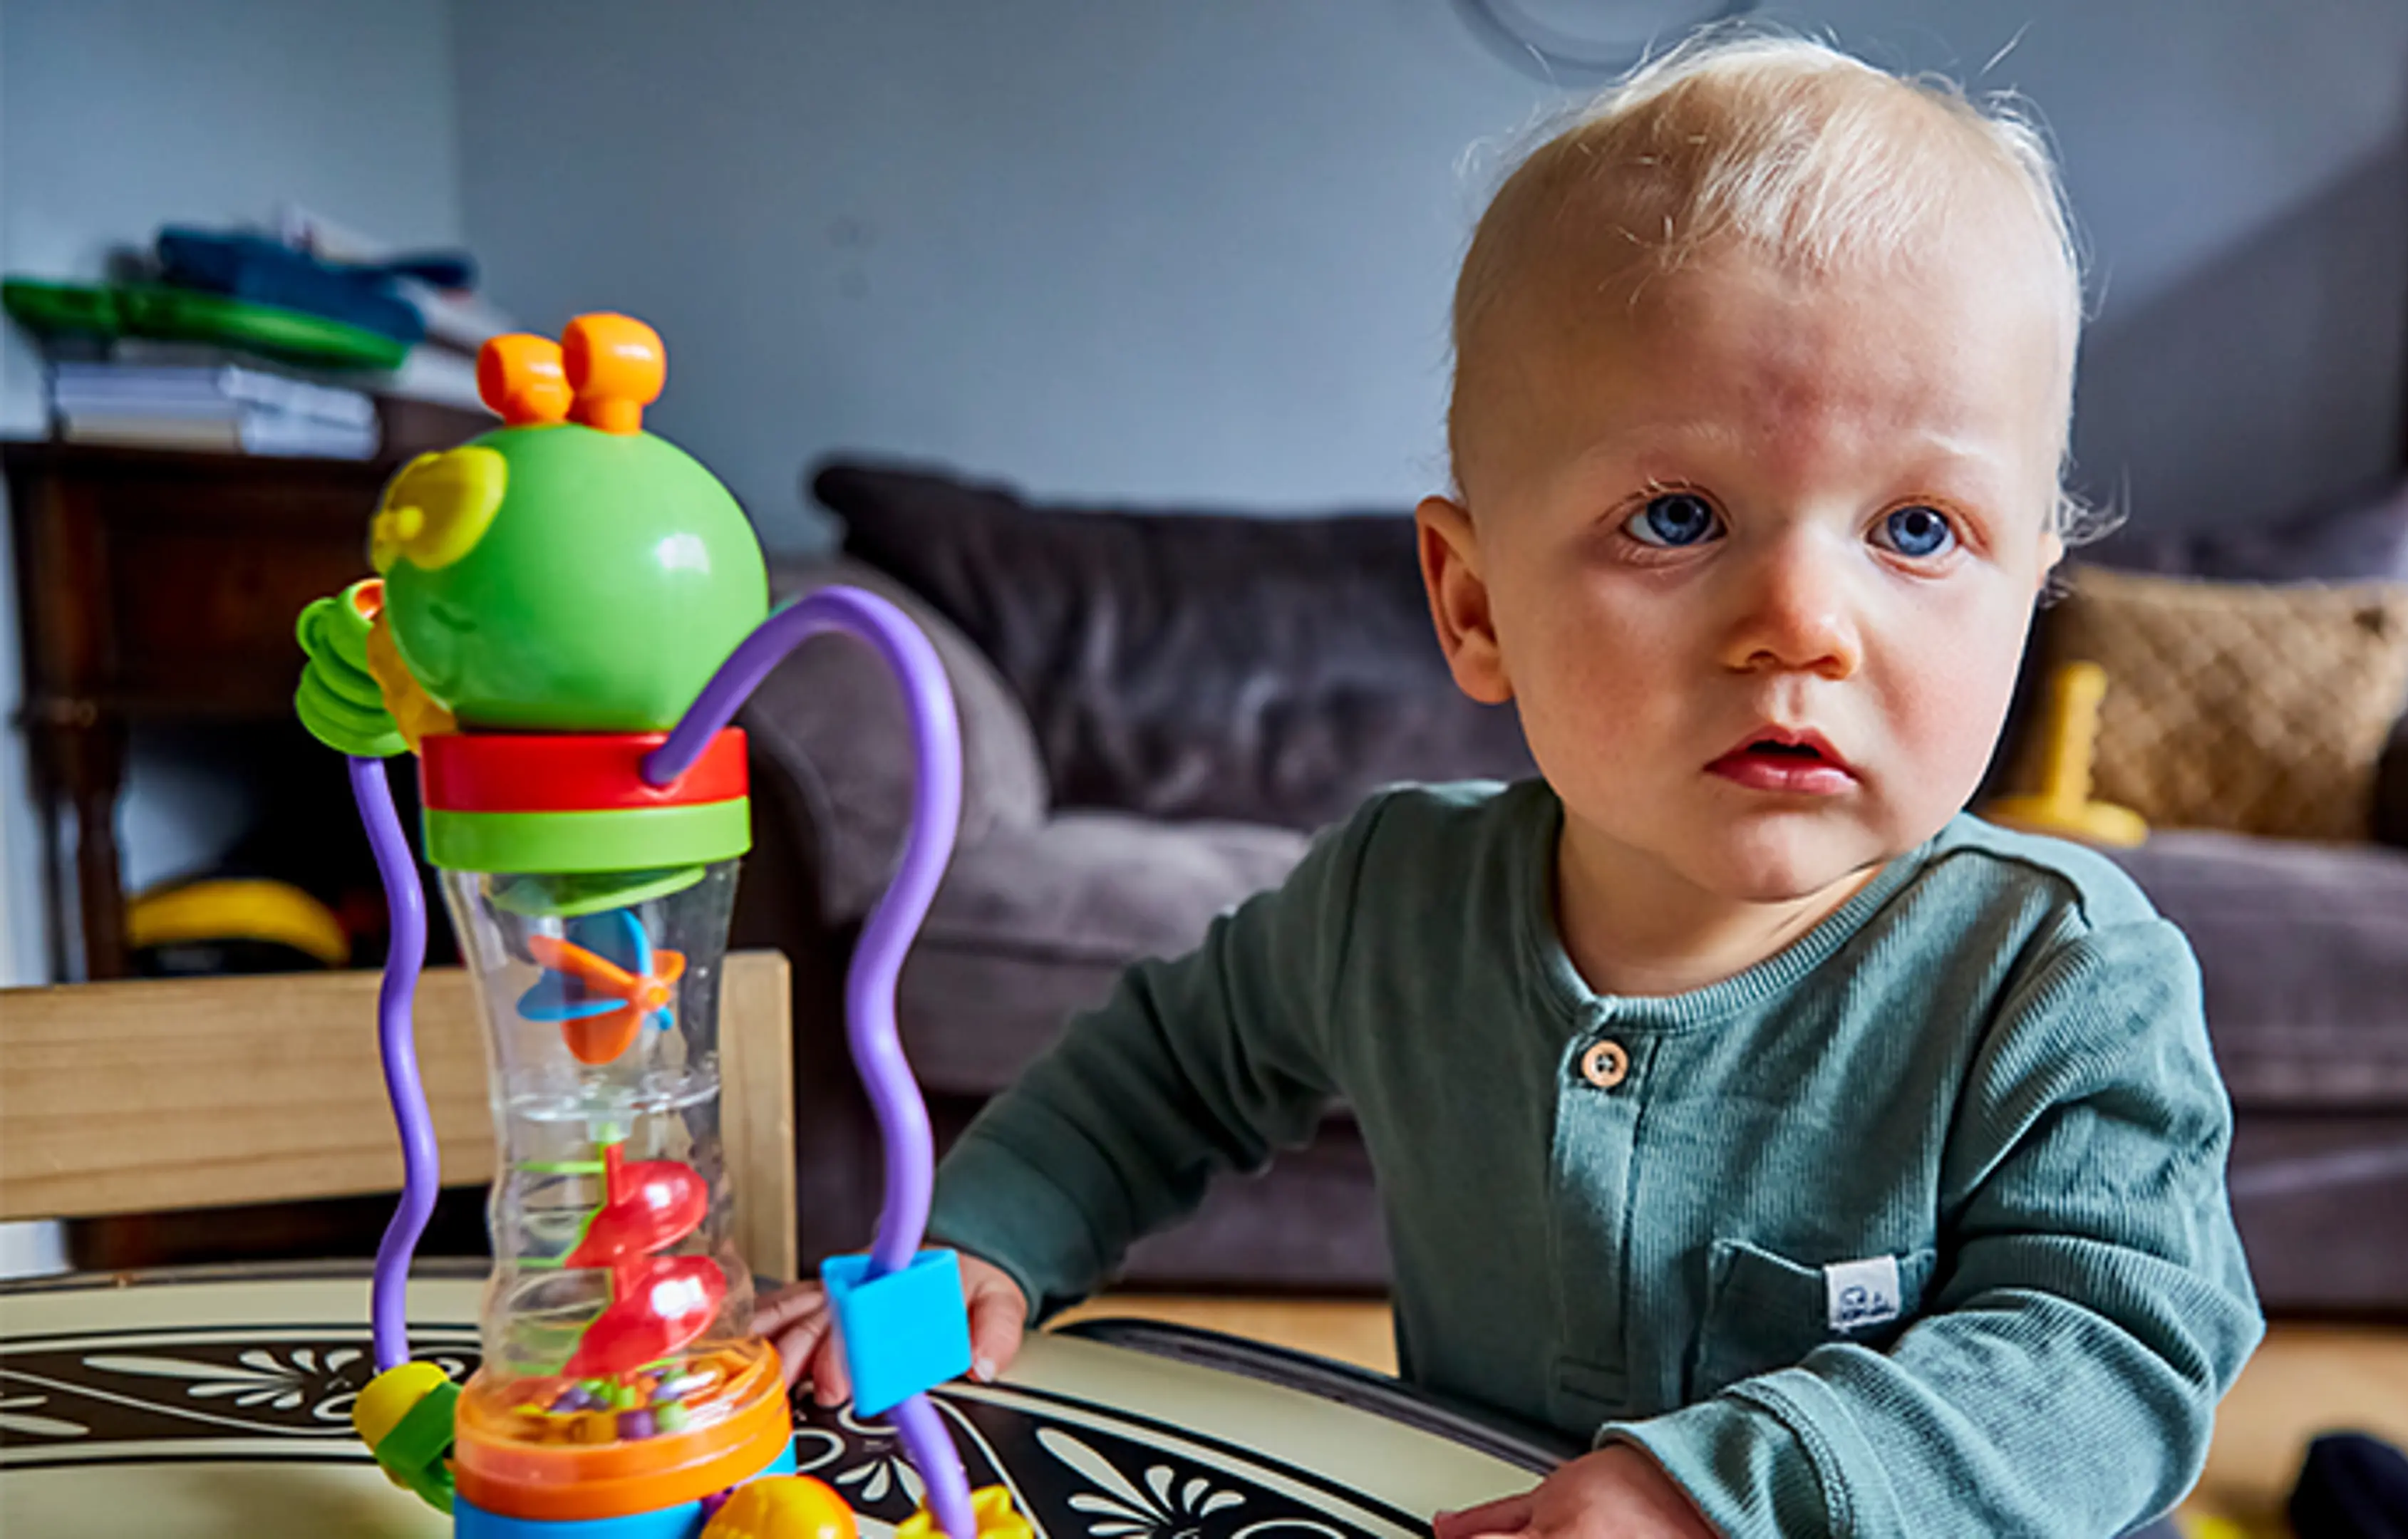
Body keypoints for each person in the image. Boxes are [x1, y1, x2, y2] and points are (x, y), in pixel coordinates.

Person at [758, 29, 2263, 1536]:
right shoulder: (1392, 902)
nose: (1805, 623)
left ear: (2029, 595)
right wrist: (985, 1247)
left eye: (1920, 531)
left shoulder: (2060, 976)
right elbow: (1159, 1073)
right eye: (1678, 515)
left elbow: (2118, 1353)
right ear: (1474, 606)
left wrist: (1715, 1499)